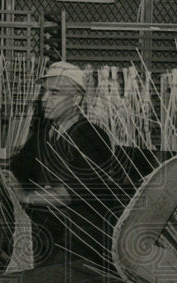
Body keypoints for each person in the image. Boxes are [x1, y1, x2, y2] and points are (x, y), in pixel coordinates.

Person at [10, 61, 124, 269]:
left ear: (76, 99)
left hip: (79, 238)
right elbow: (18, 171)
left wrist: (25, 196)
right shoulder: (45, 134)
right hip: (46, 227)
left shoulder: (92, 138)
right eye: (44, 92)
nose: (44, 99)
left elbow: (71, 193)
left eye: (54, 93)